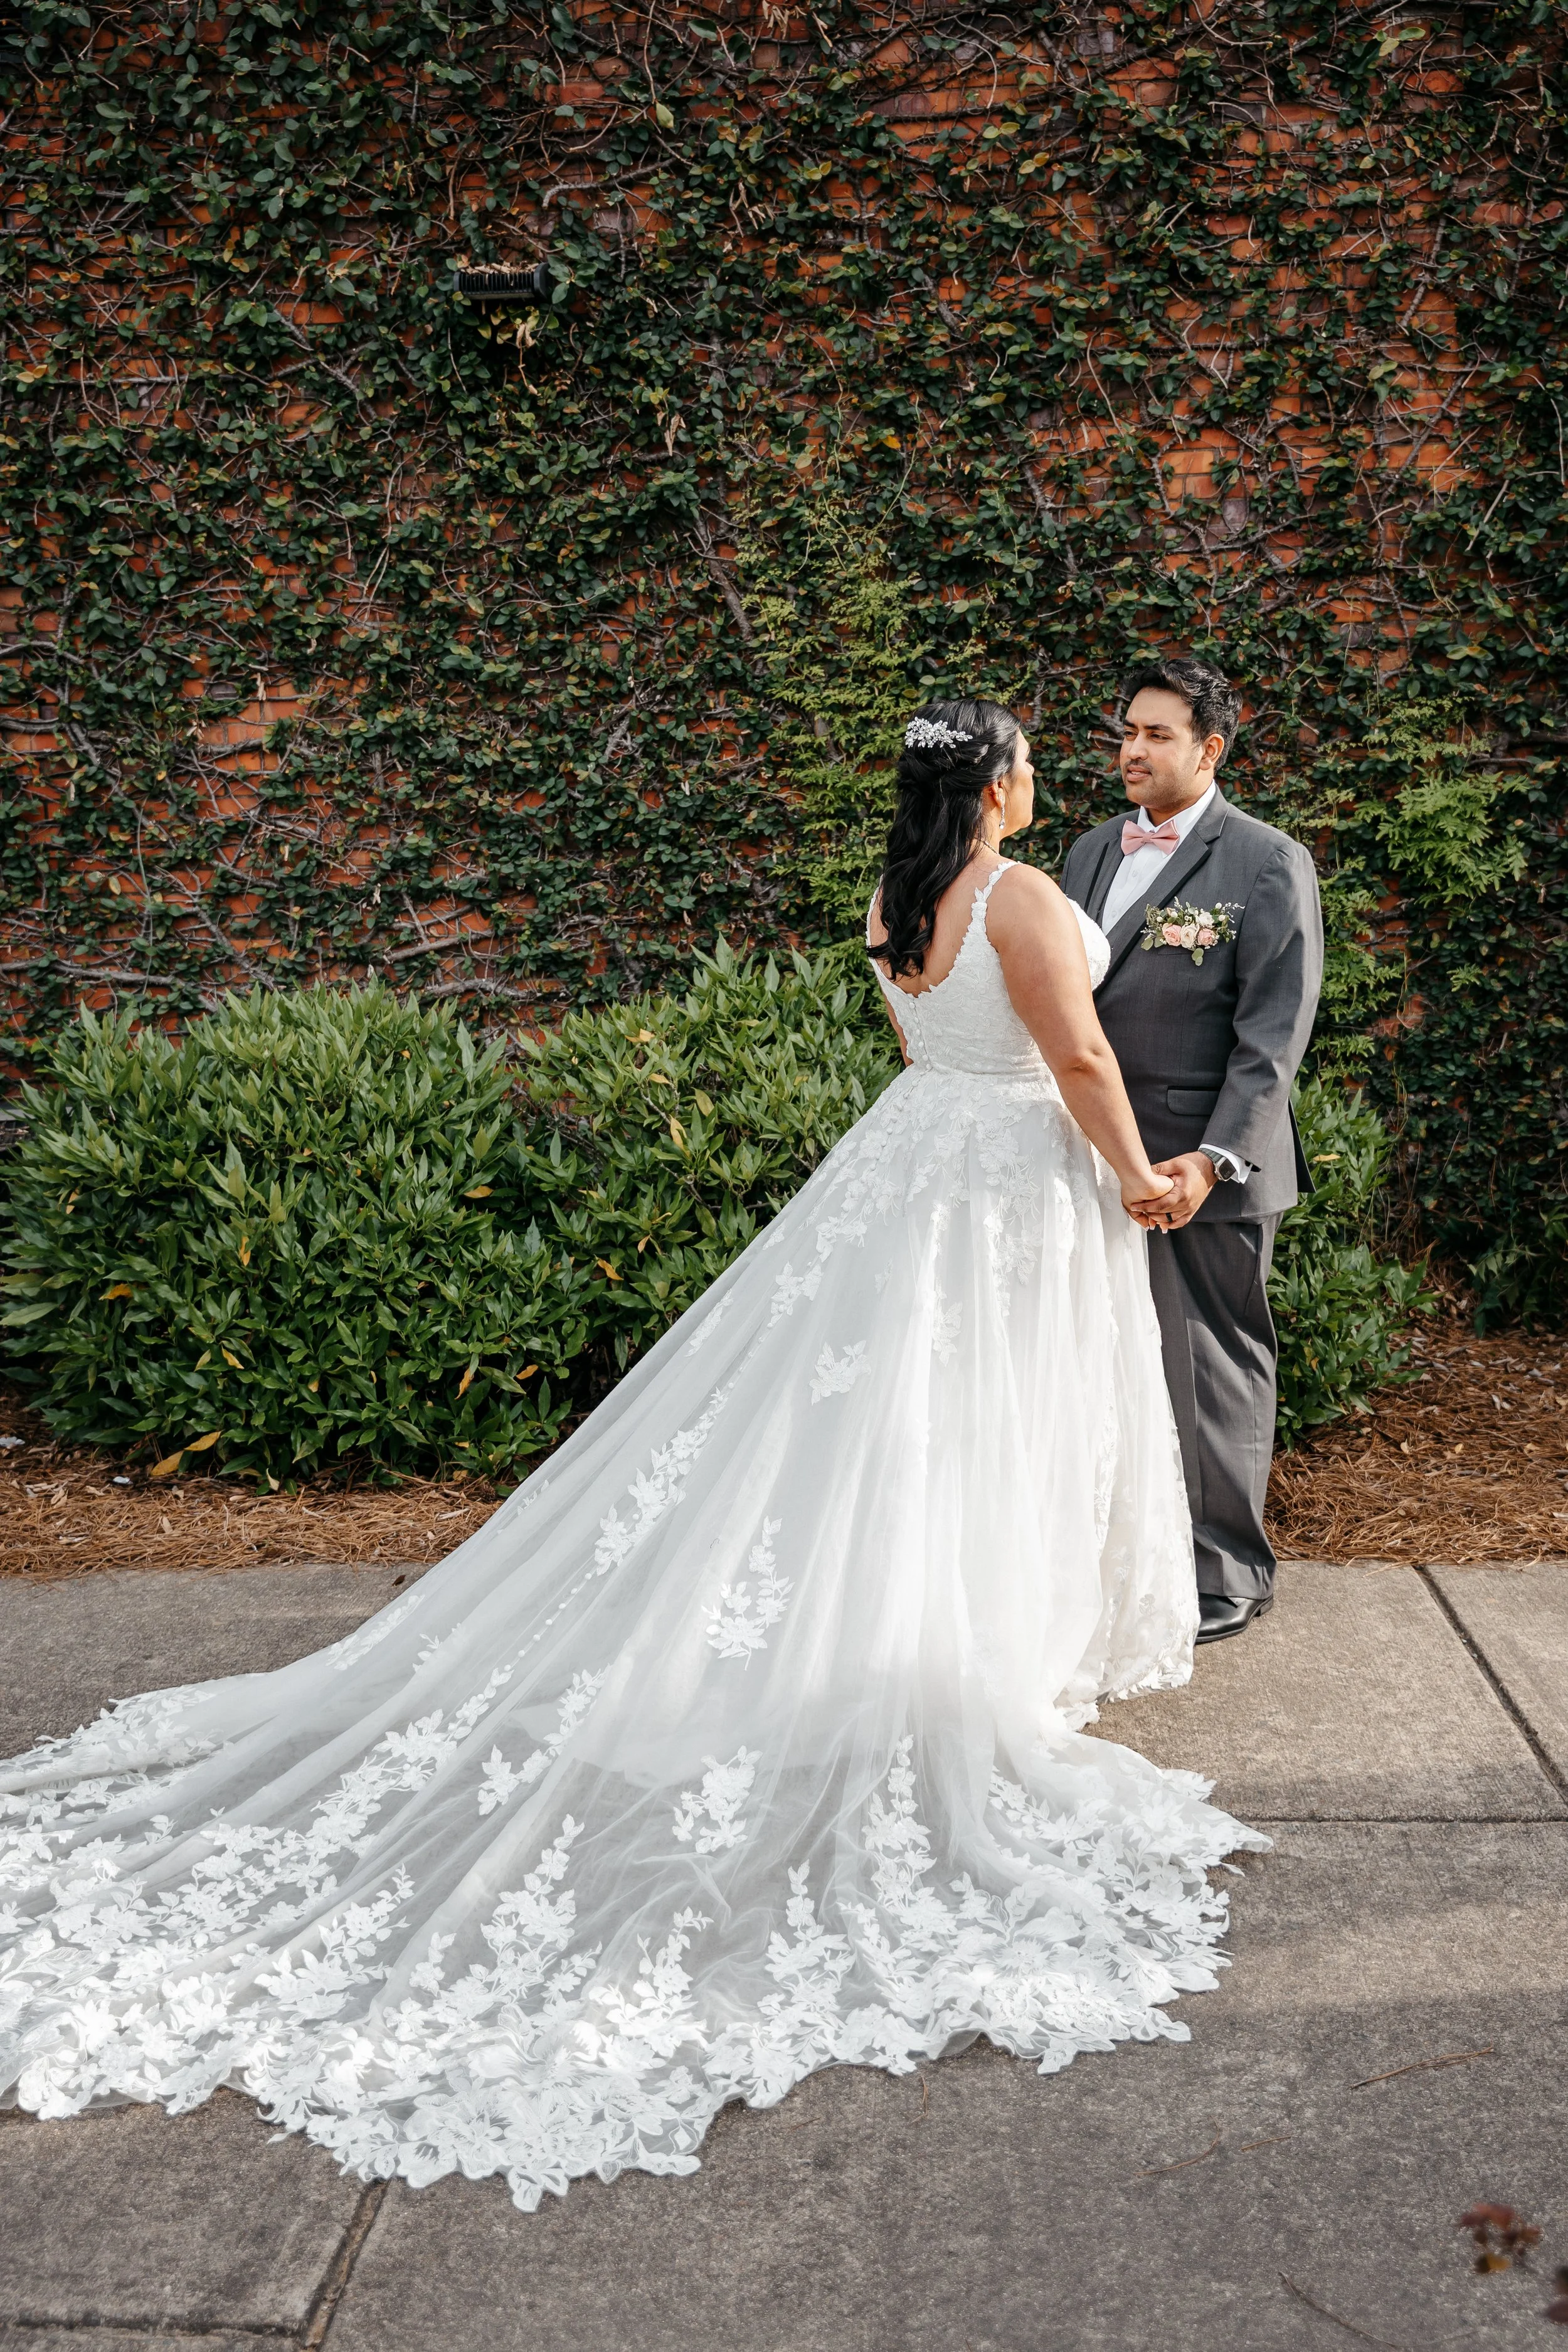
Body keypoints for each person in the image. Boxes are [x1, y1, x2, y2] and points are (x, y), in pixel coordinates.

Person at [0, 699, 1262, 2214]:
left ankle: (916, 1611)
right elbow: (1069, 1057)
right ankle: (957, 1640)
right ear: (998, 785)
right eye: (1034, 764)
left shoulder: (893, 898)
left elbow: (935, 1042)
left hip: (905, 1159)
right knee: (968, 1407)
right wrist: (1133, 1178)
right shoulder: (1028, 897)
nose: (1050, 778)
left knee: (877, 1418)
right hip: (1001, 1184)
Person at [1061, 659, 1324, 1643]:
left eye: (1157, 734)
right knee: (1110, 1360)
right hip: (1098, 1155)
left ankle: (1229, 1571)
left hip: (1197, 1170)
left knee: (1206, 1368)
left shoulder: (1265, 861)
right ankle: (1135, 1557)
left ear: (1210, 749)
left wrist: (1212, 1161)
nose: (1132, 748)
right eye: (1127, 729)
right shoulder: (1087, 852)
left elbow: (1274, 1038)